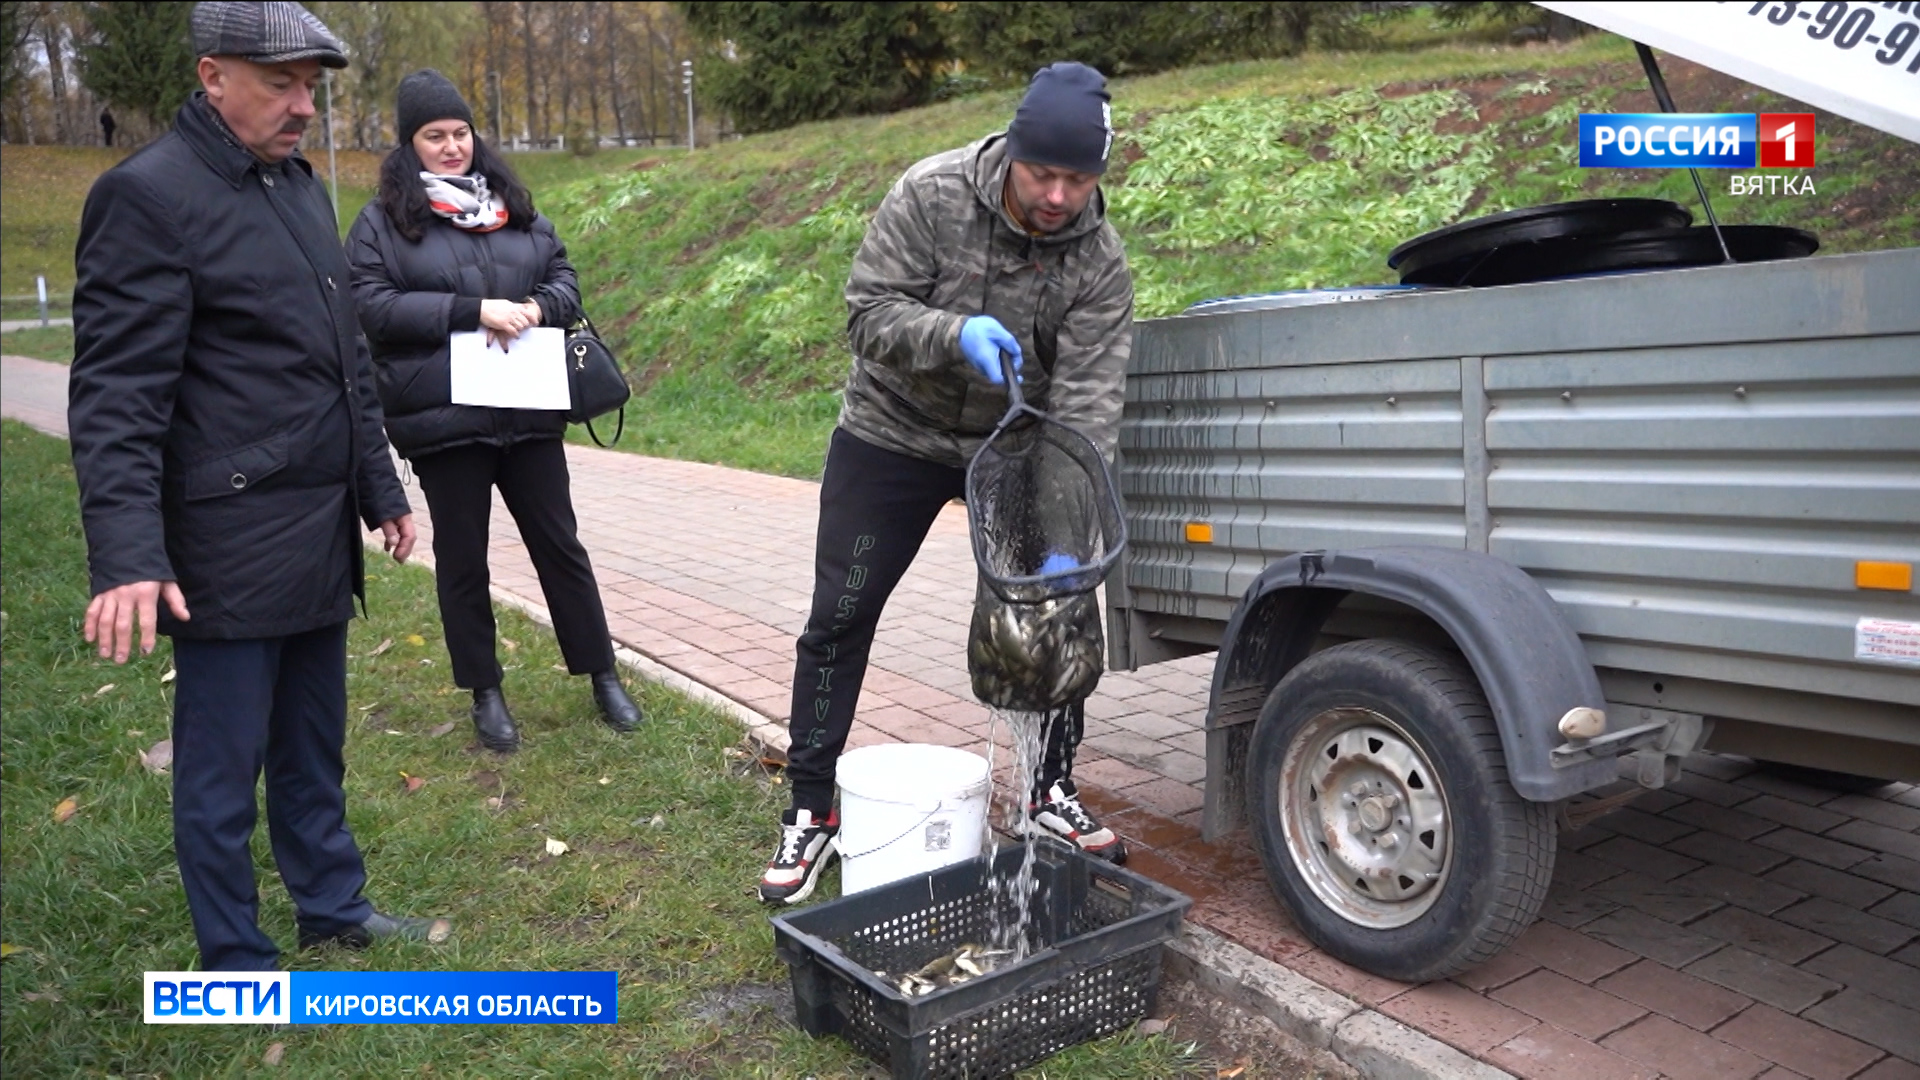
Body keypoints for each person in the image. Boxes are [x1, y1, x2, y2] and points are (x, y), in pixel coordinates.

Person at [69, 0, 447, 971]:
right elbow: (116, 399)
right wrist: (126, 557)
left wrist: (382, 488)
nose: (301, 108)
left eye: (310, 90)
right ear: (211, 76)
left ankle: (332, 908)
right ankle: (234, 957)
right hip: (224, 543)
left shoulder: (298, 188)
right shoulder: (147, 196)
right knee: (221, 767)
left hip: (317, 530)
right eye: (280, 84)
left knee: (313, 747)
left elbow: (343, 359)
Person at [759, 62, 1134, 904]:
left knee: (1055, 615)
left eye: (1079, 179)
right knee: (840, 612)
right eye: (1044, 173)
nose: (1059, 196)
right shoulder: (930, 196)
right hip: (891, 433)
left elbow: (1086, 406)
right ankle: (812, 809)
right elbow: (866, 314)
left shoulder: (1099, 262)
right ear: (1014, 153)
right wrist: (952, 332)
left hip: (1016, 449)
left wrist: (1066, 533)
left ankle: (1047, 791)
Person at [345, 69, 642, 752]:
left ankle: (602, 673)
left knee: (560, 546)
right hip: (445, 418)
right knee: (463, 560)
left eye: (460, 133)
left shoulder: (512, 204)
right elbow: (371, 306)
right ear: (409, 143)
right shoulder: (383, 222)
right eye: (434, 136)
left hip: (528, 408)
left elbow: (563, 278)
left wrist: (538, 308)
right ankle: (485, 692)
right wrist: (470, 311)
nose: (451, 147)